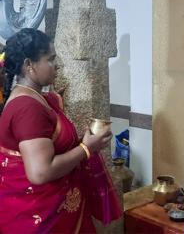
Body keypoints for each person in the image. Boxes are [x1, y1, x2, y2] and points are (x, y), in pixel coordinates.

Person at [0, 29, 122, 233]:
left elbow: (50, 146)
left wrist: (84, 142)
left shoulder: (37, 98)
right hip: (40, 215)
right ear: (29, 65)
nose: (57, 65)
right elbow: (40, 172)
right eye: (50, 59)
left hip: (58, 206)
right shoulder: (27, 108)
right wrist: (86, 148)